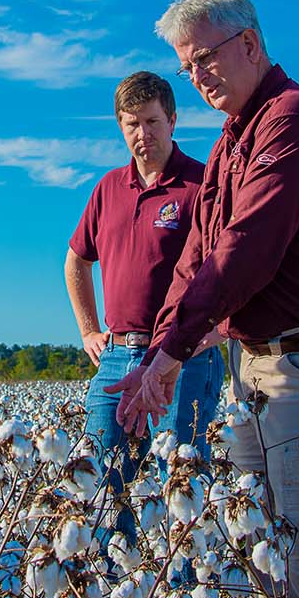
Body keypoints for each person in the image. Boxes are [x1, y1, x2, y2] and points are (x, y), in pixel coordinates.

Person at [106, 0, 299, 598]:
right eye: (187, 67)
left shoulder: (293, 121)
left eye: (204, 58)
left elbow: (243, 252)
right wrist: (156, 355)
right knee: (264, 547)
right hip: (256, 366)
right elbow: (195, 258)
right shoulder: (234, 142)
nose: (197, 77)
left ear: (249, 44)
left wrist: (172, 352)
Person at [66, 71, 224, 538]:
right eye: (132, 124)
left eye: (152, 121)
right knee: (98, 479)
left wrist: (205, 337)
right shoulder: (108, 188)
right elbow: (76, 260)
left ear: (173, 121)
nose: (143, 134)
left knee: (178, 482)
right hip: (115, 358)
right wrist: (88, 331)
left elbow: (231, 272)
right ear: (120, 126)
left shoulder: (201, 185)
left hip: (183, 358)